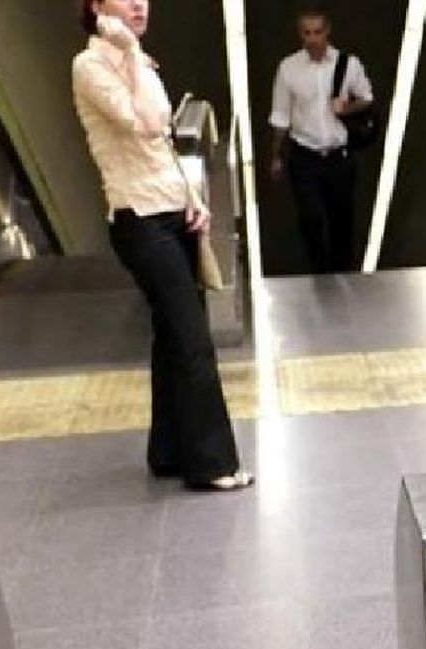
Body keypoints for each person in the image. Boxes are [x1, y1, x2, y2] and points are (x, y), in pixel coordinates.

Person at [71, 0, 252, 491]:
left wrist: (192, 198)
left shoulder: (137, 61)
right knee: (193, 339)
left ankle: (168, 451)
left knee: (172, 337)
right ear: (95, 6)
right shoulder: (90, 67)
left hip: (173, 212)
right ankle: (213, 463)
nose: (139, 4)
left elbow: (163, 145)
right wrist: (130, 54)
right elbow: (147, 122)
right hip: (139, 221)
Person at [269, 6, 374, 273]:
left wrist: (346, 108)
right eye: (307, 33)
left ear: (327, 31)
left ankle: (342, 273)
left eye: (317, 32)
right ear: (300, 34)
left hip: (339, 156)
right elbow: (281, 115)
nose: (313, 38)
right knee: (311, 217)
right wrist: (276, 157)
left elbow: (367, 98)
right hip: (305, 156)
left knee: (342, 221)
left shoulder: (348, 64)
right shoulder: (289, 68)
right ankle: (319, 272)